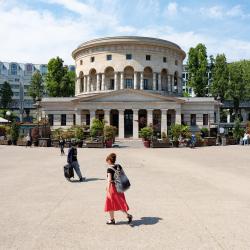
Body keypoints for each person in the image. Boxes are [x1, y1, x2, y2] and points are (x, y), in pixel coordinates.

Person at [104, 153, 132, 225]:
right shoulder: (119, 166)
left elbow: (109, 180)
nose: (107, 162)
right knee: (120, 202)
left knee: (110, 203)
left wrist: (107, 188)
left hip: (113, 188)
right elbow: (122, 175)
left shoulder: (109, 169)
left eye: (107, 160)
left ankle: (112, 220)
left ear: (110, 160)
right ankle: (128, 215)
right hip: (119, 187)